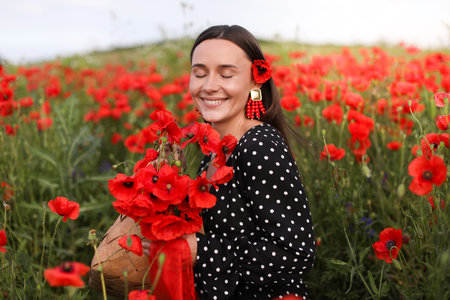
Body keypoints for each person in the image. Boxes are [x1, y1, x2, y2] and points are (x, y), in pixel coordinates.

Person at [181, 25, 316, 300]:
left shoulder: (259, 145)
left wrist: (201, 250)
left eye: (226, 74)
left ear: (256, 81)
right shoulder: (213, 149)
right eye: (199, 73)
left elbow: (297, 253)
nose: (208, 86)